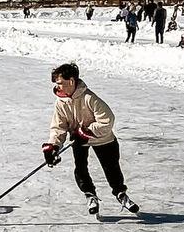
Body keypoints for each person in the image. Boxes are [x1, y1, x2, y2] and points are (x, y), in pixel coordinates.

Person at [41, 62, 138, 217]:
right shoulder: (60, 102)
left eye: (60, 83)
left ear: (71, 81)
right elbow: (59, 127)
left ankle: (121, 194)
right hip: (78, 141)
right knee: (80, 168)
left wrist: (86, 132)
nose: (57, 87)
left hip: (102, 139)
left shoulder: (89, 98)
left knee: (111, 168)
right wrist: (54, 146)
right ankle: (90, 194)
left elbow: (107, 120)